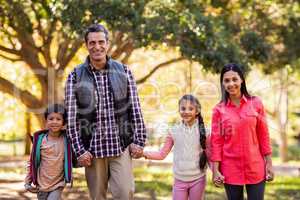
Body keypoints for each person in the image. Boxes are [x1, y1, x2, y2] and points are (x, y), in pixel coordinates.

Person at [65, 24, 147, 200]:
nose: (97, 47)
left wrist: (139, 140)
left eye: (101, 42)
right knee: (97, 197)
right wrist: (79, 150)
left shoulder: (123, 71)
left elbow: (135, 109)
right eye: (92, 42)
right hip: (92, 150)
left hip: (120, 145)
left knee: (125, 193)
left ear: (108, 44)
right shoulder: (75, 75)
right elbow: (72, 119)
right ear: (86, 45)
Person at [210, 63, 274, 200]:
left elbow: (263, 135)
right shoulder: (218, 110)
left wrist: (269, 164)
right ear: (222, 83)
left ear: (242, 80)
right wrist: (215, 170)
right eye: (226, 80)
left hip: (255, 167)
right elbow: (216, 142)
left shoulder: (256, 103)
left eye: (235, 79)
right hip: (230, 169)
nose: (231, 84)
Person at [143, 94, 208, 200]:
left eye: (190, 108)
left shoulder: (205, 131)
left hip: (198, 179)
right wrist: (143, 153)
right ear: (179, 110)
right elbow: (161, 154)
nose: (186, 111)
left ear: (197, 111)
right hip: (179, 180)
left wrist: (216, 173)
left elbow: (210, 155)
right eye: (183, 108)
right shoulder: (173, 131)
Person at [24, 104, 72, 200]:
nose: (54, 122)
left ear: (63, 122)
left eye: (58, 119)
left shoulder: (67, 140)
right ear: (46, 121)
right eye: (51, 119)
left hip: (58, 184)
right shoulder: (40, 141)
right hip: (41, 185)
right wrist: (27, 182)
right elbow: (32, 162)